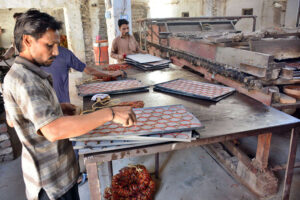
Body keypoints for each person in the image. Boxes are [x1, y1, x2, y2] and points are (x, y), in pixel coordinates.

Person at [3, 9, 137, 200]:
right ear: (27, 41)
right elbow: (53, 131)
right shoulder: (25, 79)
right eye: (50, 45)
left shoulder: (28, 73)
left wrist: (57, 107)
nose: (56, 52)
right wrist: (110, 113)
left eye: (57, 45)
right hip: (51, 183)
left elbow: (19, 119)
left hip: (59, 174)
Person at [41, 46, 124, 103]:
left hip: (62, 106)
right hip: (55, 107)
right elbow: (89, 71)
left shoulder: (64, 53)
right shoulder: (63, 53)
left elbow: (89, 70)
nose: (55, 52)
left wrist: (109, 74)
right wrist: (110, 75)